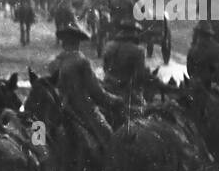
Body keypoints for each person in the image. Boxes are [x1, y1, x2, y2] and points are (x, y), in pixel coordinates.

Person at [46, 21, 124, 155]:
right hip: (81, 107)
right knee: (108, 135)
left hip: (59, 107)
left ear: (64, 43)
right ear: (77, 43)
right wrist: (115, 100)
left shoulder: (53, 63)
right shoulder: (81, 61)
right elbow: (96, 92)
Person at [101, 16, 148, 104]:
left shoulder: (108, 45)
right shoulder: (138, 51)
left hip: (107, 86)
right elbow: (140, 76)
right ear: (134, 33)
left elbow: (105, 68)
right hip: (126, 91)